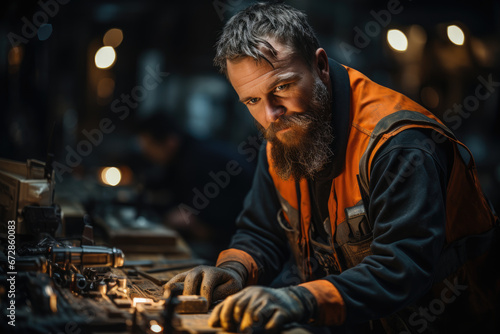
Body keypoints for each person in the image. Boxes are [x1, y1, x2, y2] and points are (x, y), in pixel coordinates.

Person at [164, 3, 500, 333]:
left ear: (321, 65)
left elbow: (401, 270)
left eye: (281, 87)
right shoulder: (284, 135)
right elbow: (262, 231)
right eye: (252, 101)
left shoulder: (398, 145)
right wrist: (234, 270)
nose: (270, 114)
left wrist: (302, 301)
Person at [135, 112, 255, 262]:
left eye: (149, 148)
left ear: (170, 141)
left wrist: (191, 218)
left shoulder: (198, 161)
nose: (147, 155)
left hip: (239, 240)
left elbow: (214, 218)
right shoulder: (183, 155)